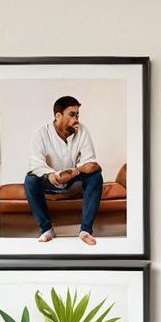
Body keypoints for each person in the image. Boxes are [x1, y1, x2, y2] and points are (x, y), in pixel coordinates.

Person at [23, 96, 103, 247]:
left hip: (74, 180)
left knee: (96, 175)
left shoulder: (82, 131)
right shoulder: (41, 133)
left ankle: (85, 230)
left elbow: (90, 162)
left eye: (77, 115)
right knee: (30, 180)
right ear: (58, 116)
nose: (76, 119)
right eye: (72, 114)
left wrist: (76, 171)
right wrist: (52, 175)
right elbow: (36, 165)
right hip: (50, 180)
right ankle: (46, 229)